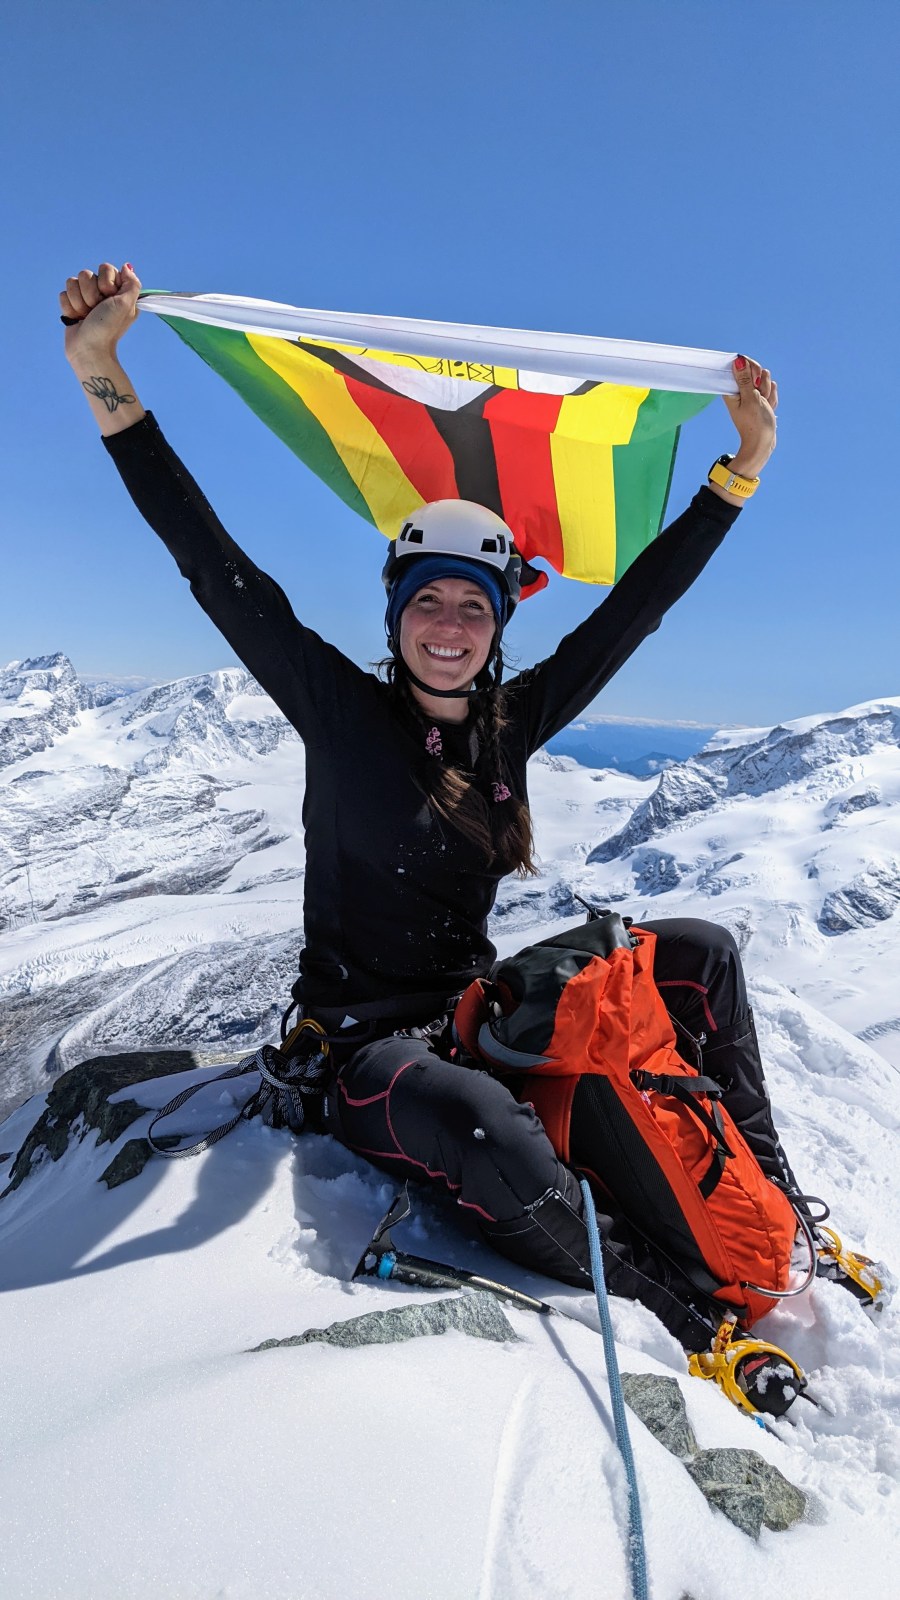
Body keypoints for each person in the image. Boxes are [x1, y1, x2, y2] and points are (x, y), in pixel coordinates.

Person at [62, 262, 807, 1351]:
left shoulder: (509, 726)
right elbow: (210, 562)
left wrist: (739, 472)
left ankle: (766, 1203)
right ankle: (685, 1317)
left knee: (699, 952)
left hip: (475, 1006)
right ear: (398, 615)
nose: (449, 624)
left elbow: (634, 613)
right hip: (362, 1051)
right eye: (429, 602)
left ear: (498, 625)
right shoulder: (336, 708)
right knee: (481, 1125)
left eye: (473, 605)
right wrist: (103, 375)